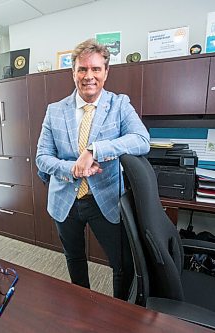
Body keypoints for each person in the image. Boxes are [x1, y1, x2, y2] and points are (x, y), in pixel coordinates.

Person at [36, 39, 150, 300]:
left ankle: (120, 313)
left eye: (96, 69)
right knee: (74, 258)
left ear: (106, 72)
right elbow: (42, 158)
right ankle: (82, 309)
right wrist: (73, 169)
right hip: (66, 200)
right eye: (82, 69)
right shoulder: (54, 111)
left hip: (106, 200)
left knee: (122, 265)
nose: (89, 76)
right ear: (73, 72)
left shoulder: (120, 104)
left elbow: (142, 141)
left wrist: (95, 150)